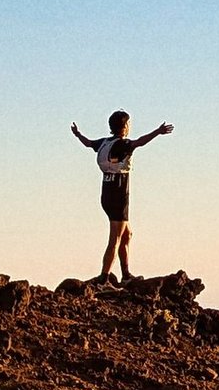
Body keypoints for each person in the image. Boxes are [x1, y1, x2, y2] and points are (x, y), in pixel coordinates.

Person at [70, 110, 173, 284]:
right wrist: (158, 131)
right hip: (119, 195)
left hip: (107, 194)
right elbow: (140, 142)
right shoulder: (123, 144)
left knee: (127, 234)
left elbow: (88, 143)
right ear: (125, 126)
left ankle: (125, 274)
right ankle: (103, 278)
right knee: (115, 238)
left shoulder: (104, 143)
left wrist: (78, 134)